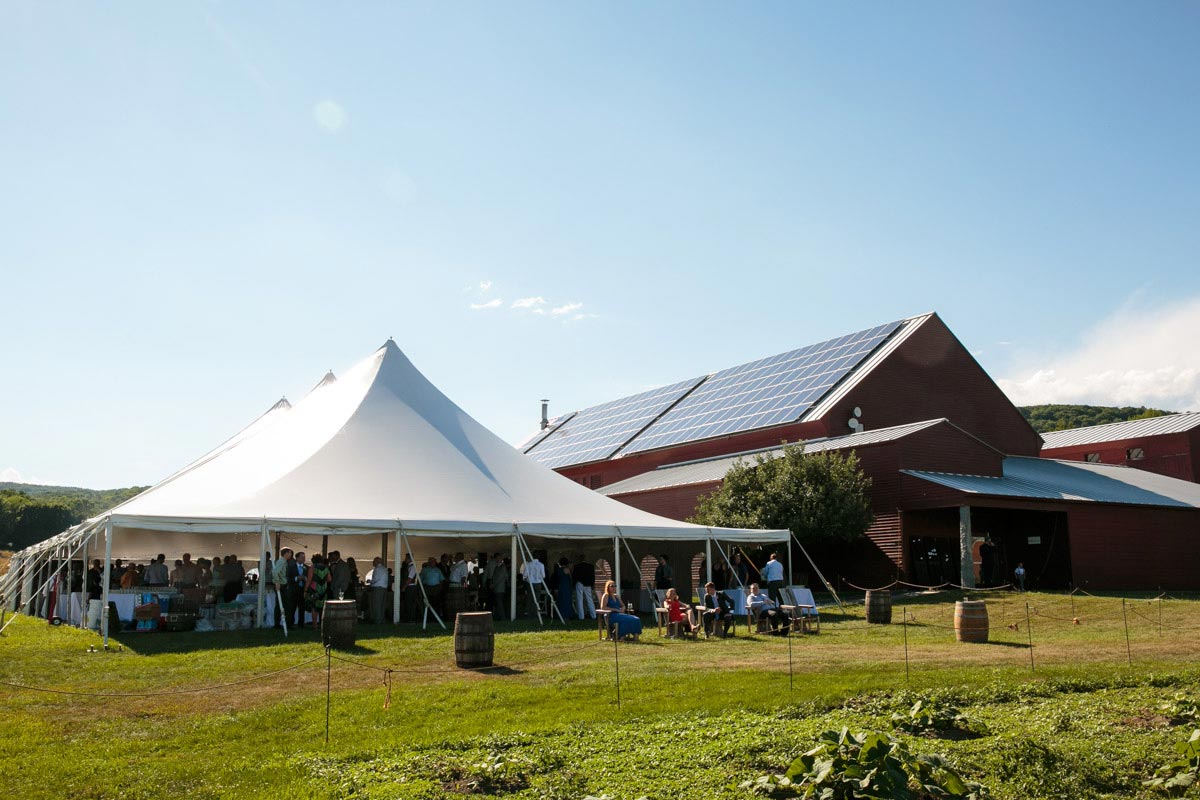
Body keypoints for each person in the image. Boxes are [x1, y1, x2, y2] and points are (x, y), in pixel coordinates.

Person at [271, 548, 296, 629]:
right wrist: (277, 582)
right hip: (281, 585)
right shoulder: (281, 561)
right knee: (286, 605)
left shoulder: (284, 561)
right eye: (290, 553)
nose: (291, 555)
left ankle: (278, 624)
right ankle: (287, 624)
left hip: (283, 585)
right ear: (286, 553)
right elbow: (275, 572)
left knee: (280, 605)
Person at [306, 554, 331, 631]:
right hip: (323, 590)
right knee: (322, 608)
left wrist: (305, 590)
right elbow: (329, 579)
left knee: (314, 608)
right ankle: (322, 625)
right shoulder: (326, 568)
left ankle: (315, 626)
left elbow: (309, 580)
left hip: (314, 590)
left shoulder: (312, 567)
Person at [573, 555, 596, 620]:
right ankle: (593, 615)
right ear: (585, 559)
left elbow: (574, 576)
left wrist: (574, 584)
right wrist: (592, 584)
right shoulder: (590, 566)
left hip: (580, 583)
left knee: (580, 600)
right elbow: (592, 576)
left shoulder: (577, 566)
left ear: (579, 559)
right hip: (588, 584)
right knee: (590, 600)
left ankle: (581, 616)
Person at [368, 556, 390, 624]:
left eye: (374, 561)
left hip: (377, 589)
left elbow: (375, 579)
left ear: (377, 562)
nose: (373, 562)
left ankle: (377, 620)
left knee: (376, 605)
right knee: (382, 605)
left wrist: (369, 581)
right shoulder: (385, 569)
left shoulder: (377, 569)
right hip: (384, 588)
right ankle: (382, 620)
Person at [552, 557, 574, 621]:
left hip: (561, 586)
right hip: (566, 586)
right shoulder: (567, 569)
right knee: (567, 600)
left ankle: (561, 614)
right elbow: (570, 578)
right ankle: (567, 615)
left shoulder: (558, 570)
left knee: (561, 600)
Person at [491, 556, 510, 621]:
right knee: (498, 603)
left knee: (500, 603)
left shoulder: (502, 567)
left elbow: (500, 578)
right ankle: (499, 616)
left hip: (500, 588)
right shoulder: (497, 567)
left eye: (498, 558)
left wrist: (493, 584)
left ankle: (502, 618)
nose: (496, 559)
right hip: (497, 588)